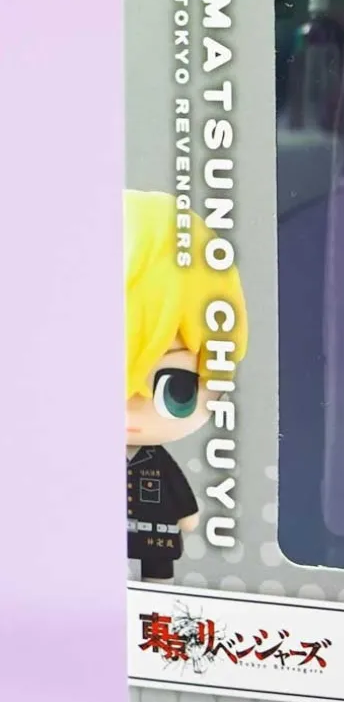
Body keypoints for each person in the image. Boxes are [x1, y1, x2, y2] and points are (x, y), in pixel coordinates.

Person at [125, 190, 248, 581]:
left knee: (157, 570)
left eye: (175, 389)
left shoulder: (155, 461)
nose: (130, 410)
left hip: (155, 532)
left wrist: (189, 515)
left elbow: (179, 496)